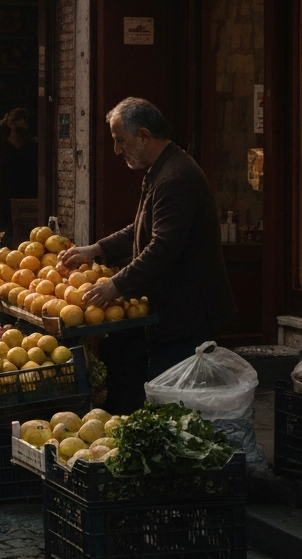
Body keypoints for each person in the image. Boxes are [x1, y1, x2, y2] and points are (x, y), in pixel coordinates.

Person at [59, 97, 236, 411]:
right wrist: (97, 250)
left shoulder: (175, 177)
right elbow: (141, 229)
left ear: (143, 136)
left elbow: (162, 248)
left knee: (176, 403)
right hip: (171, 309)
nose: (116, 151)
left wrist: (115, 286)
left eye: (120, 141)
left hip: (187, 312)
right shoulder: (162, 170)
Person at [0, 107, 39, 246]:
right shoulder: (2, 146)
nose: (21, 124)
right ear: (10, 124)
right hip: (7, 195)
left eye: (24, 120)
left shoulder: (33, 147)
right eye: (18, 120)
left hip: (29, 195)